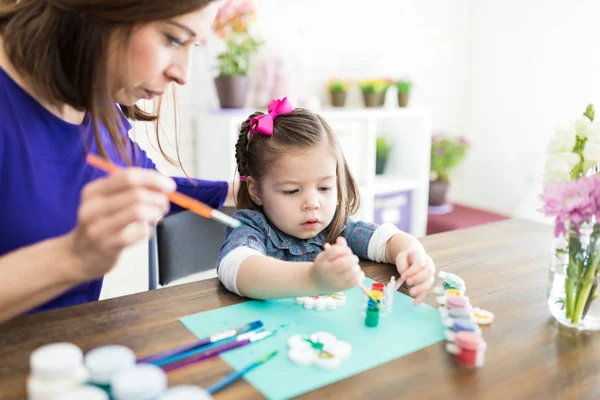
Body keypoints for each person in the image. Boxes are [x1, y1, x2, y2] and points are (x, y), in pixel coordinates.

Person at [0, 0, 231, 322]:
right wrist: (72, 257)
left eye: (196, 46)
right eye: (174, 39)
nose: (183, 74)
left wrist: (243, 192)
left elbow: (156, 188)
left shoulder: (90, 96)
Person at [217, 98, 436, 305]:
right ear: (256, 191)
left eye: (324, 188)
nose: (313, 203)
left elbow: (386, 240)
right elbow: (237, 268)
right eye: (292, 190)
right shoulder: (252, 227)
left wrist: (411, 255)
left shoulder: (335, 228)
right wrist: (313, 278)